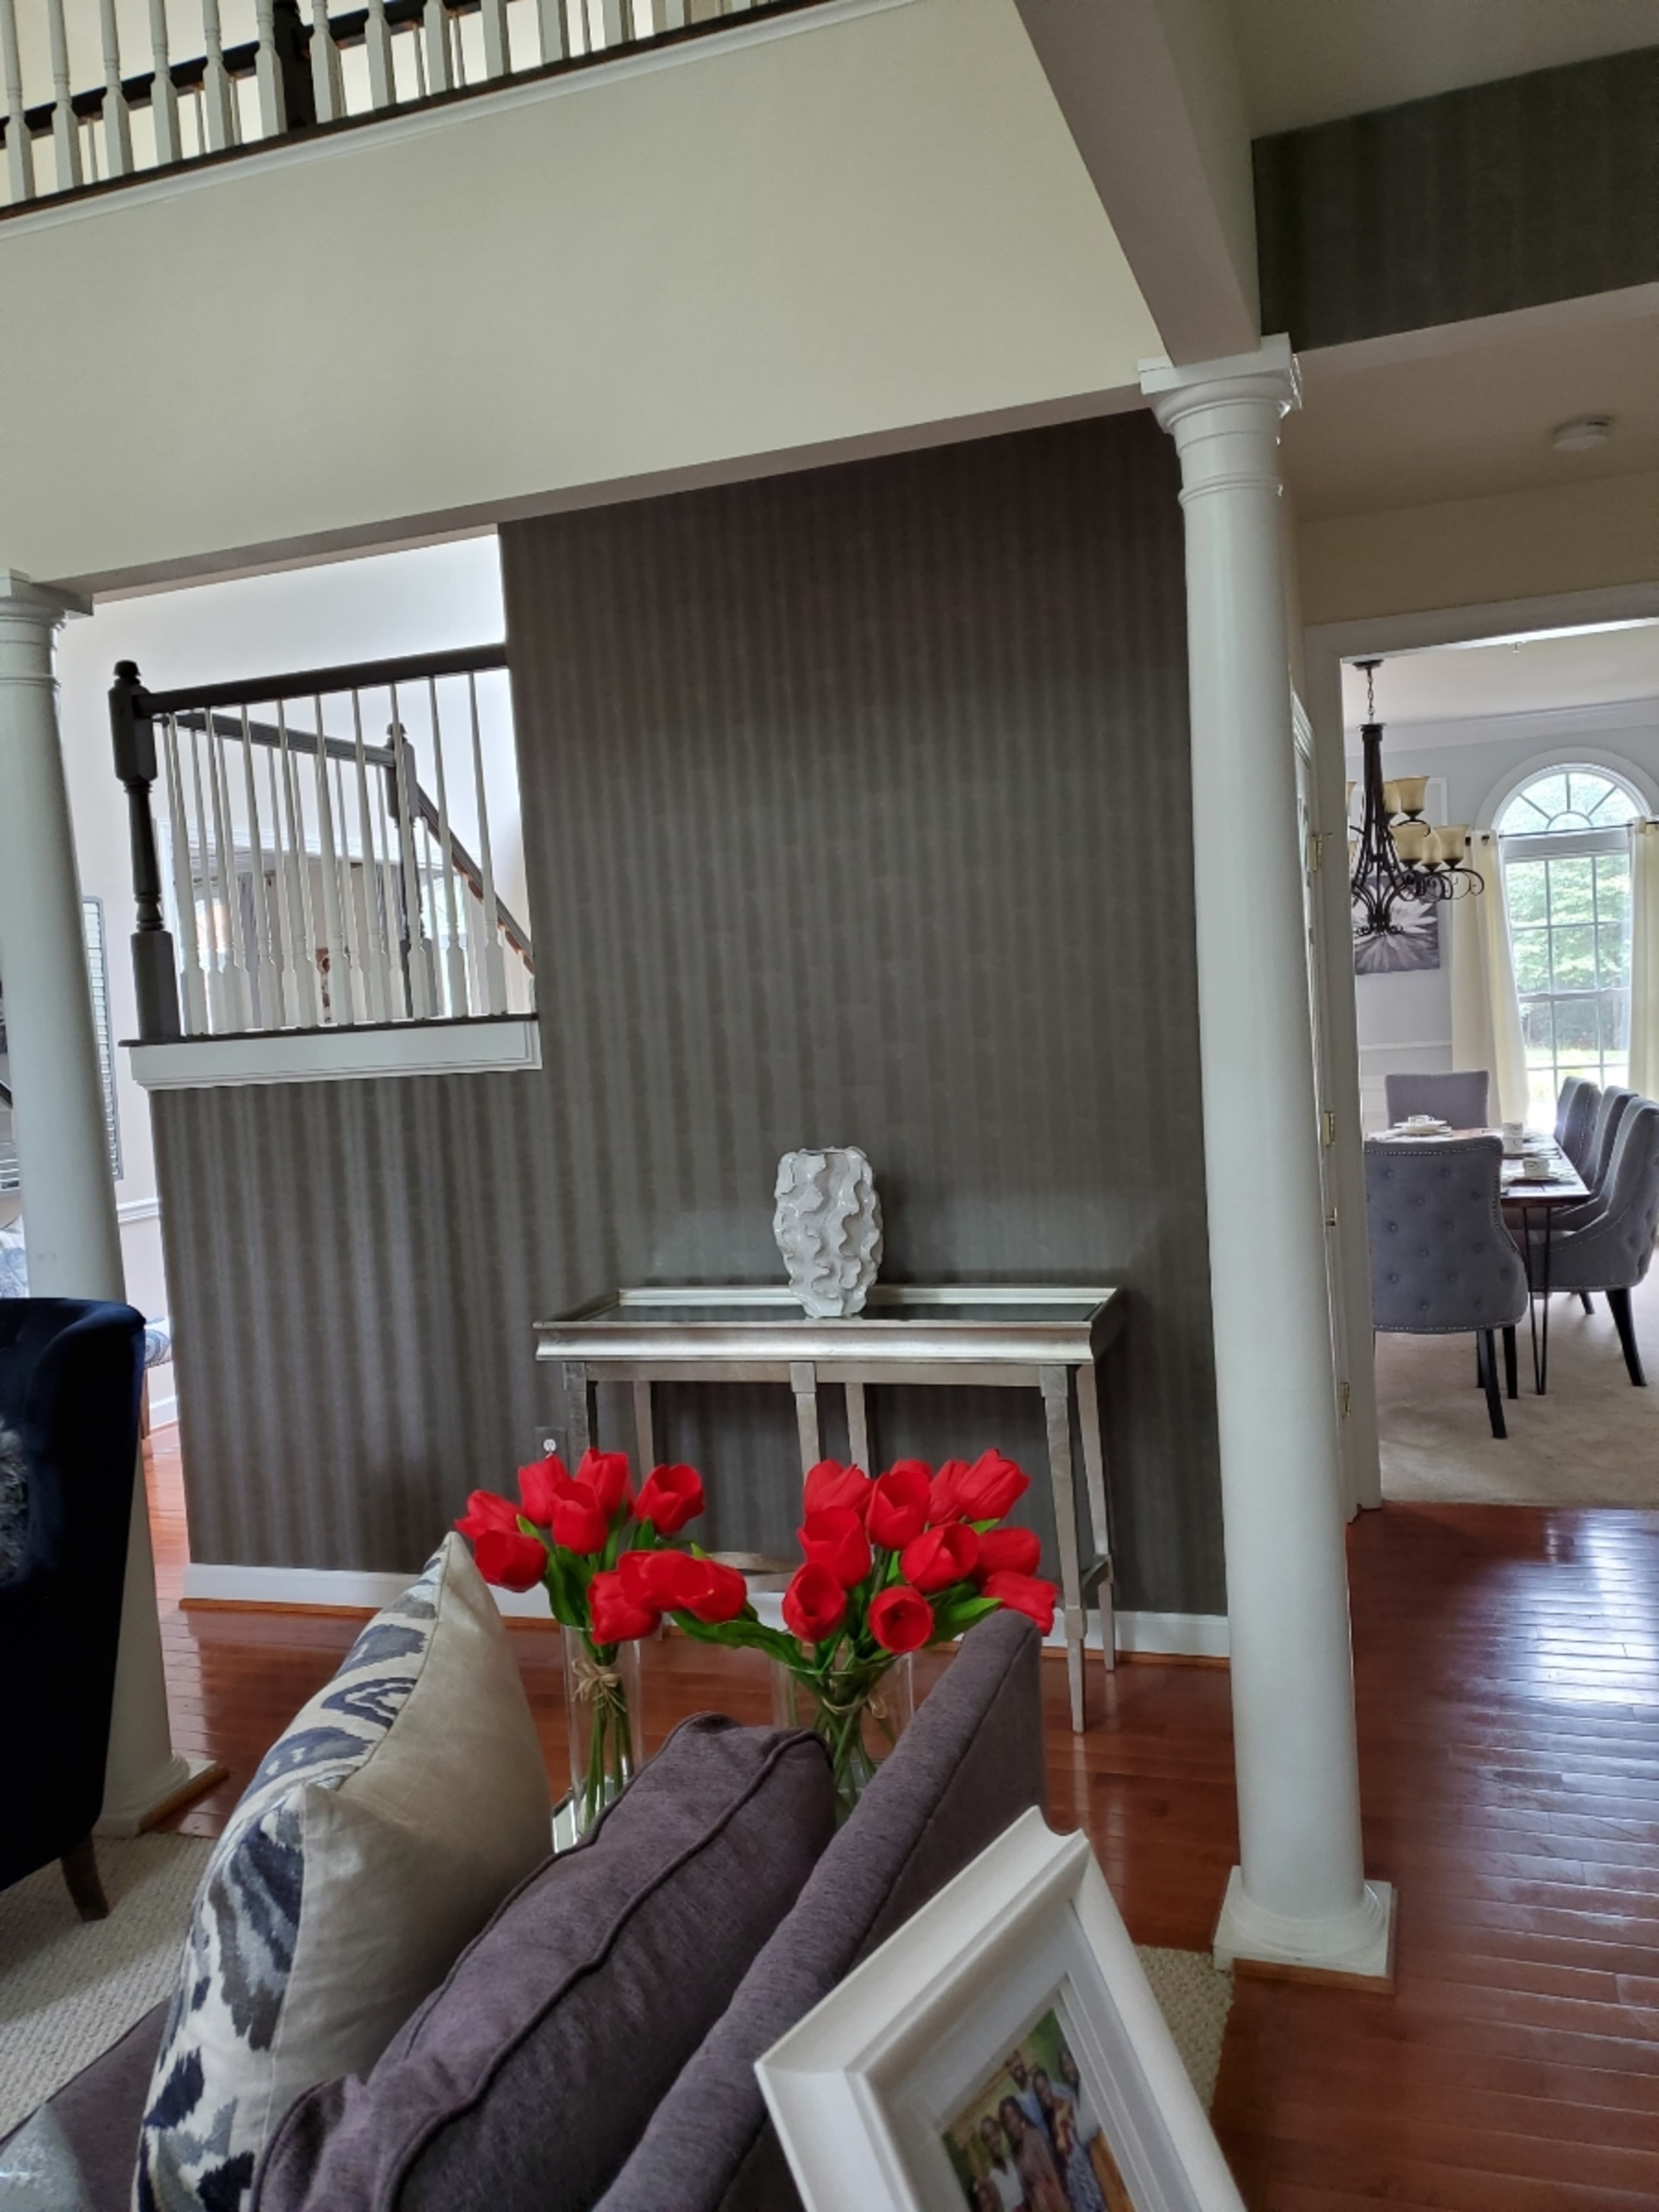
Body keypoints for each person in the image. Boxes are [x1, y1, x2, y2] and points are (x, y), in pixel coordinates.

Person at [1056, 2044, 1135, 2212]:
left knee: (1125, 2191)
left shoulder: (1090, 2084)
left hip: (1107, 2145)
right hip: (1096, 2156)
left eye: (1070, 2062)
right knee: (1112, 2198)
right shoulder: (1074, 2100)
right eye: (1064, 2066)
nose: (1068, 2068)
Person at [1034, 2067, 1106, 2212]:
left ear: (1050, 2084)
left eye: (1045, 2088)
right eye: (1040, 2092)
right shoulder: (1049, 2119)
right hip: (1072, 2176)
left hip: (1083, 2165)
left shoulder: (1065, 2104)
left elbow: (1078, 2135)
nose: (1045, 2094)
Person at [999, 2097, 1071, 2212]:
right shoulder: (1017, 2152)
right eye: (1007, 2122)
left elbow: (1052, 2173)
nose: (1012, 2124)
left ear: (1020, 2115)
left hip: (1053, 2201)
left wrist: (1063, 2206)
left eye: (1013, 2117)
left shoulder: (1033, 2136)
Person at [977, 2115, 1026, 2212]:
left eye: (994, 2133)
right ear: (985, 2145)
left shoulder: (1014, 2162)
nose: (993, 2140)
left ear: (1000, 2133)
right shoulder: (991, 2180)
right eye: (988, 2139)